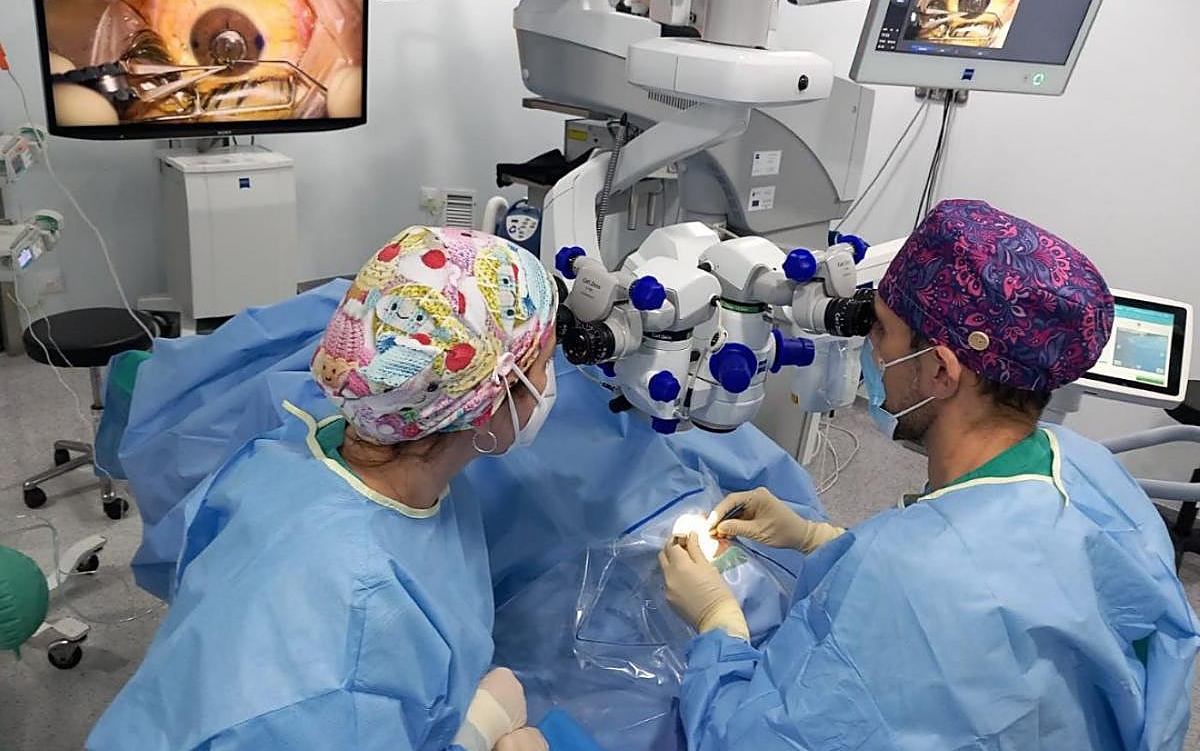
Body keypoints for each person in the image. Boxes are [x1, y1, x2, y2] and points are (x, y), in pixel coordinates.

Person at [659, 199, 1200, 750]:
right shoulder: (1091, 468)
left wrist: (719, 628)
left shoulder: (907, 578)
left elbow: (756, 741)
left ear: (941, 370)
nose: (869, 346)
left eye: (881, 330)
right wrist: (821, 541)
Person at [88, 226, 558, 751]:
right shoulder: (351, 645)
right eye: (545, 365)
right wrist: (474, 736)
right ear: (492, 401)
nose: (550, 383)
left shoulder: (310, 451)